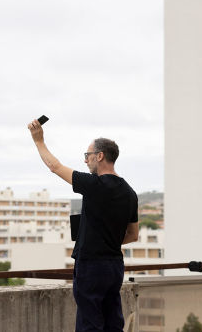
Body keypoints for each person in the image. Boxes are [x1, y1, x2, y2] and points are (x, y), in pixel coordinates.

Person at [27, 118, 139, 332]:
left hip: (91, 265)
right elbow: (133, 235)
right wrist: (109, 241)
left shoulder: (94, 185)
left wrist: (38, 140)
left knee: (90, 323)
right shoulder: (130, 193)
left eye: (87, 156)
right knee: (113, 322)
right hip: (114, 266)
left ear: (100, 156)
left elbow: (55, 166)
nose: (86, 161)